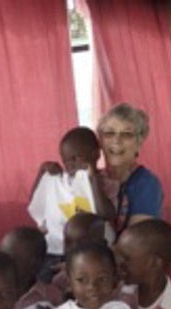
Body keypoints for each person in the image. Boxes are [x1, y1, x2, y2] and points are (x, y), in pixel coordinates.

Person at [29, 127, 115, 281]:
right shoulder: (59, 182)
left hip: (92, 254)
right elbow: (36, 203)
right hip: (57, 250)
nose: (70, 164)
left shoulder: (107, 183)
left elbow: (106, 213)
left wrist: (92, 180)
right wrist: (42, 173)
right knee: (44, 279)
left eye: (76, 158)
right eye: (66, 160)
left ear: (96, 154)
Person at [98, 103, 163, 236]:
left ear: (139, 143)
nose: (116, 140)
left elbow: (137, 243)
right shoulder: (94, 178)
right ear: (101, 140)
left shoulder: (146, 184)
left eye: (127, 134)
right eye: (109, 133)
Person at [0, 226, 63, 309]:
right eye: (2, 257)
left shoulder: (50, 296)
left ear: (36, 263)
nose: (5, 263)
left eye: (14, 259)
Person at [51, 212, 107, 297]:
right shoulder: (60, 281)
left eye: (82, 244)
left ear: (102, 243)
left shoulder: (109, 277)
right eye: (68, 242)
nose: (74, 249)